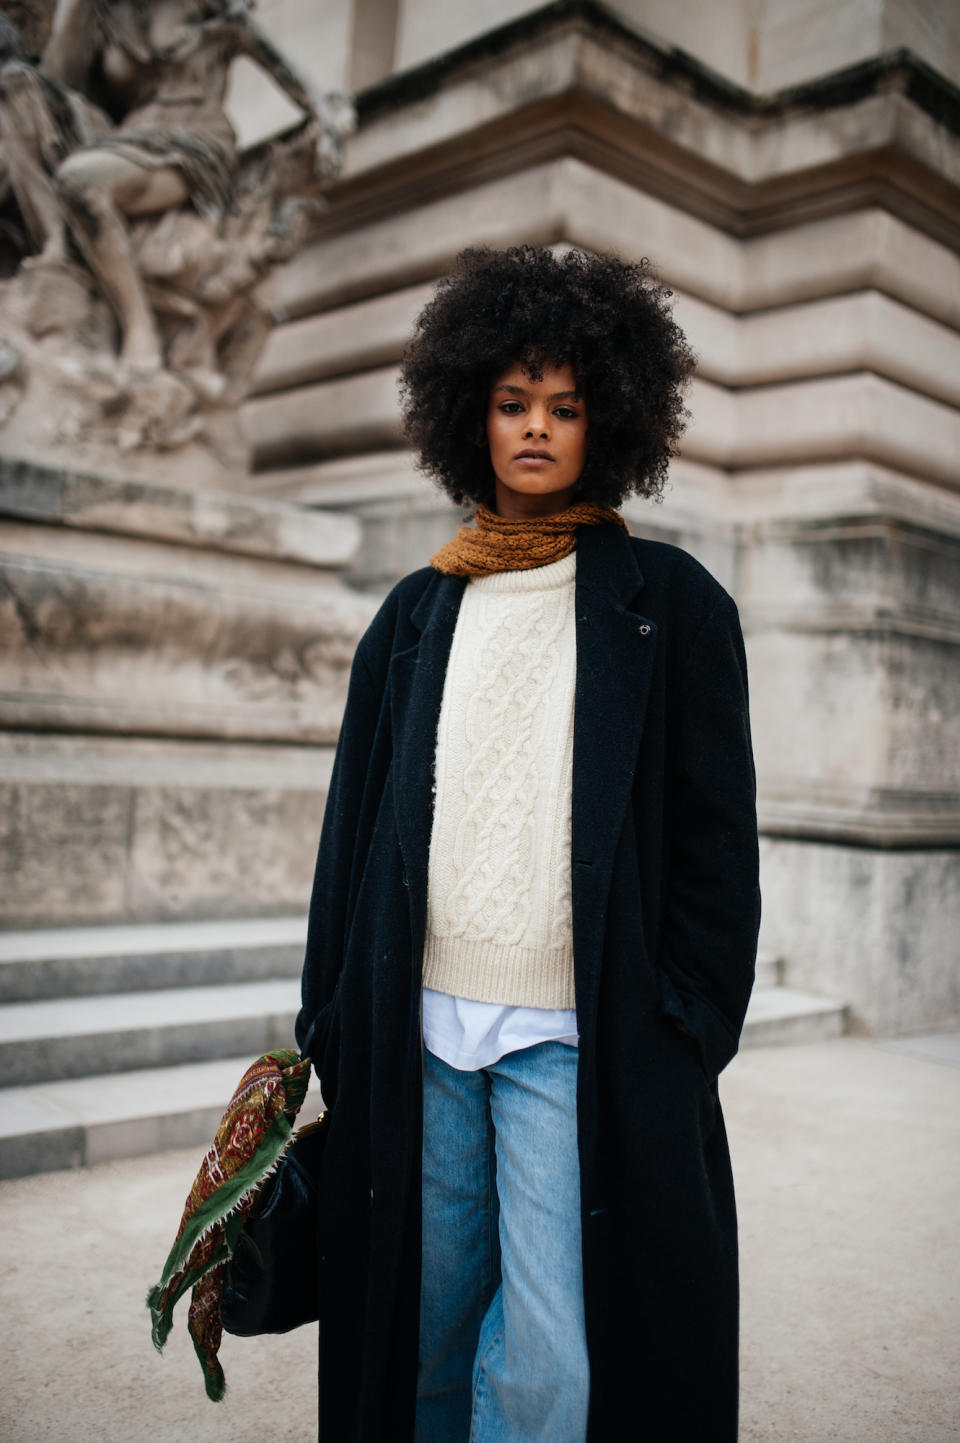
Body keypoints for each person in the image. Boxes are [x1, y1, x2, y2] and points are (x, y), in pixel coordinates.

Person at [295, 245, 761, 1443]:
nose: (538, 429)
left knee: (557, 1352)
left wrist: (687, 1022)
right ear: (472, 417)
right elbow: (350, 836)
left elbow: (717, 839)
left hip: (577, 1037)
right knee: (428, 1321)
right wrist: (331, 1018)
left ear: (609, 419)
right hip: (426, 1031)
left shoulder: (673, 605)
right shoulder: (414, 611)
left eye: (564, 406)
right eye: (512, 404)